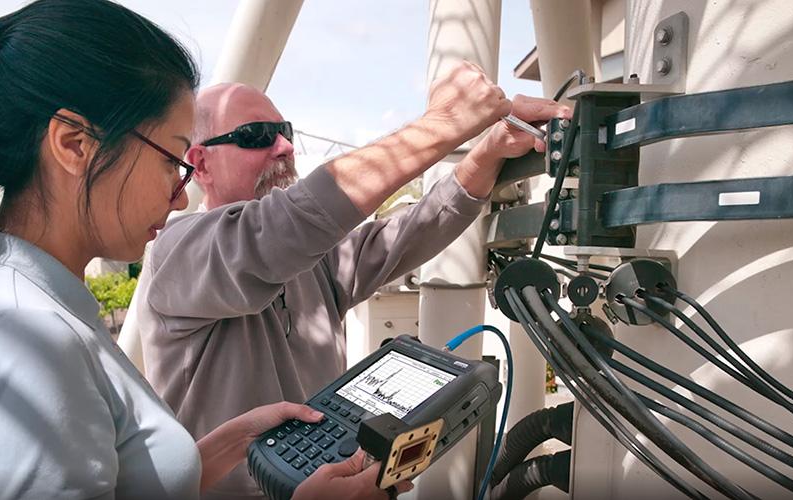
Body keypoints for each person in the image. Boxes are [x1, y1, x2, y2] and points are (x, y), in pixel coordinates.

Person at [0, 0, 531, 498]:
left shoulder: (44, 308)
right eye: (171, 158)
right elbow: (282, 228)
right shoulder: (26, 334)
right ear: (73, 145)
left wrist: (221, 447)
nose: (174, 195)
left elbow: (375, 241)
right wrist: (438, 128)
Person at [119, 78, 569, 498]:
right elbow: (275, 231)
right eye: (257, 135)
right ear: (200, 164)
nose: (285, 146)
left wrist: (486, 154)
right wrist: (445, 125)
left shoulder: (308, 259)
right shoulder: (178, 251)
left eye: (285, 130)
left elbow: (405, 235)